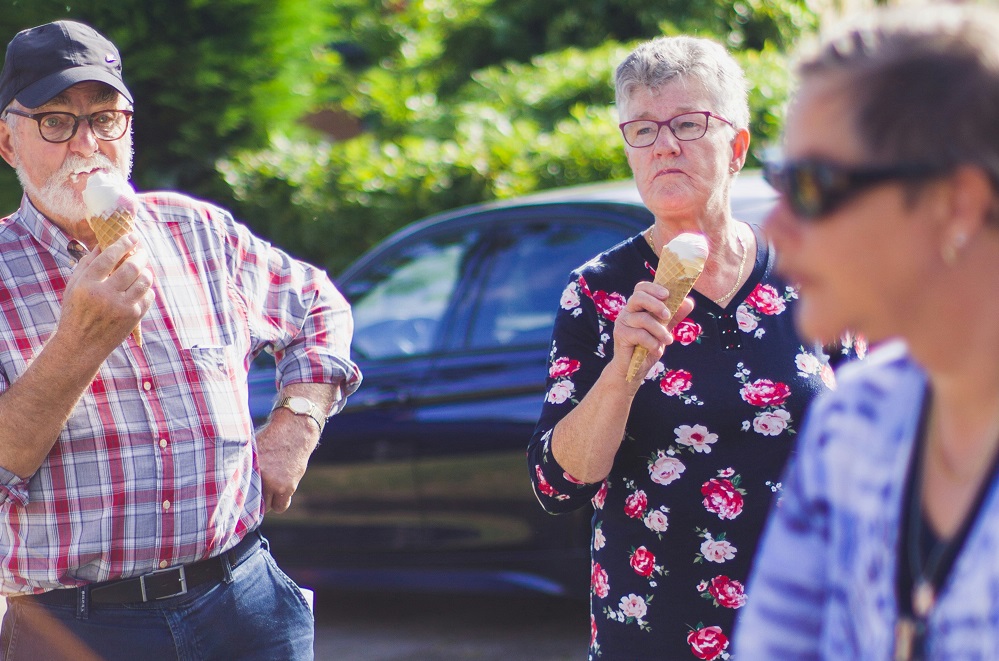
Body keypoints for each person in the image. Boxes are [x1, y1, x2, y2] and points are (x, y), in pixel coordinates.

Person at [0, 20, 360, 660]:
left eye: (106, 119)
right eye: (56, 122)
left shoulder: (196, 231)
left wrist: (295, 425)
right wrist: (77, 343)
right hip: (77, 626)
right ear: (8, 140)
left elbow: (316, 304)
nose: (87, 144)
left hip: (244, 598)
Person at [527, 35, 859, 660]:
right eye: (643, 130)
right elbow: (556, 484)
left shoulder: (814, 274)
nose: (664, 145)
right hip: (658, 626)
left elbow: (877, 440)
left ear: (736, 148)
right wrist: (623, 373)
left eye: (687, 123)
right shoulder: (597, 292)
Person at [733, 5, 999, 659]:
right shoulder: (851, 418)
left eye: (812, 185)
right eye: (776, 181)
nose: (772, 228)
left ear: (956, 203)